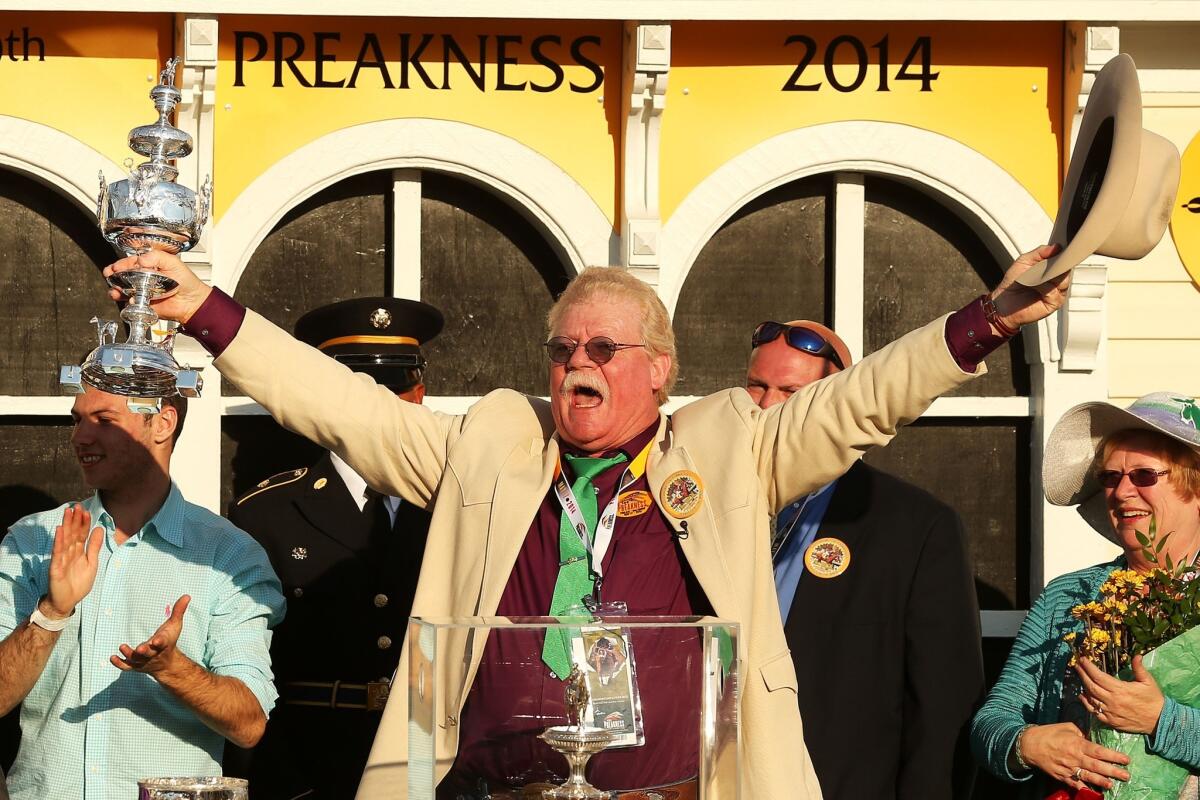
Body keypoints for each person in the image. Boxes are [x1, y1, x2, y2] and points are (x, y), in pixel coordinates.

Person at [102, 244, 1068, 799]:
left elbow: (864, 400)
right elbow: (342, 405)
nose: (577, 363)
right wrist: (209, 313)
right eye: (564, 346)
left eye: (604, 346)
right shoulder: (492, 444)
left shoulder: (733, 446)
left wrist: (991, 318)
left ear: (660, 368)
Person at [0, 385, 284, 800]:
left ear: (163, 423)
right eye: (77, 418)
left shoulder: (229, 555)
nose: (80, 436)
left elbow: (248, 725)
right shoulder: (33, 539)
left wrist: (171, 668)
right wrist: (52, 613)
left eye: (105, 420)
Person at [745, 319, 984, 800]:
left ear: (835, 403)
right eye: (757, 387)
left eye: (790, 391)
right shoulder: (702, 504)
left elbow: (943, 707)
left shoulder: (915, 526)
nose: (769, 406)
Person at [225, 296, 442, 800]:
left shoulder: (455, 504)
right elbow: (247, 672)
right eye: (362, 390)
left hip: (428, 765)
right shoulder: (266, 514)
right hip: (310, 769)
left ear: (421, 393)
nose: (382, 406)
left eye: (396, 385)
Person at [971, 392, 1200, 796]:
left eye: (1144, 475)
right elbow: (995, 719)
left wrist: (1160, 720)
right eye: (1111, 478)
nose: (1122, 492)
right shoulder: (1068, 595)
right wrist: (1025, 745)